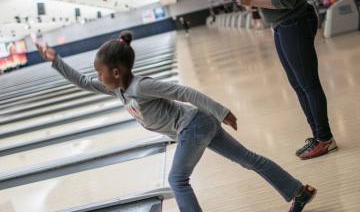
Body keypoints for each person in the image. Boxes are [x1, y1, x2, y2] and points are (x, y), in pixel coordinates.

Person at [36, 31, 317, 212]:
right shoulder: (117, 89)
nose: (97, 77)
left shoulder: (141, 86)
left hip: (194, 124)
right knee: (247, 158)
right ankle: (298, 191)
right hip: (198, 125)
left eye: (100, 72)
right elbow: (83, 82)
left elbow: (183, 91)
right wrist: (55, 60)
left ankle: (296, 190)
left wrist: (221, 111)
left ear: (117, 71)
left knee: (177, 179)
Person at [236, 0, 337, 160]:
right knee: (298, 85)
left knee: (308, 84)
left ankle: (326, 139)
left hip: (295, 21)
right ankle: (317, 137)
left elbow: (286, 0)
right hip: (281, 25)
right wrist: (249, 1)